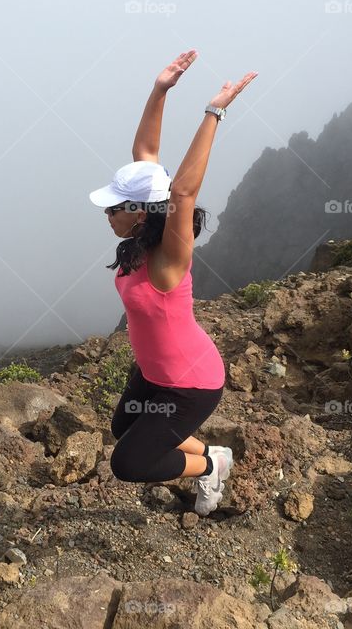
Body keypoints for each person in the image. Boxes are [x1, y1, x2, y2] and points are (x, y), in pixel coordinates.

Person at [88, 49, 258, 516]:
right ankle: (212, 455)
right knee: (126, 426)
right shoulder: (143, 232)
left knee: (128, 462)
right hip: (152, 372)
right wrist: (160, 89)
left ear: (139, 211)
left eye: (113, 207)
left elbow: (183, 191)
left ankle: (208, 469)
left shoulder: (168, 258)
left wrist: (214, 111)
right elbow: (145, 154)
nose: (107, 214)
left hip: (190, 384)